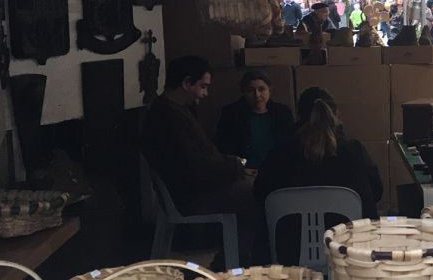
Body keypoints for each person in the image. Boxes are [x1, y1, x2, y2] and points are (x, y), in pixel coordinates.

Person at [142, 56, 256, 266]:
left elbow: (200, 159)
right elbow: (194, 167)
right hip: (191, 197)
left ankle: (239, 257)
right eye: (203, 86)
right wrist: (235, 166)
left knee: (253, 185)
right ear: (186, 83)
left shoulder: (172, 111)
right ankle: (239, 260)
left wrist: (233, 164)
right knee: (258, 192)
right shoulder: (167, 118)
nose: (205, 94)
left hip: (193, 189)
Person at [255, 88, 384, 263]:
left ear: (298, 116)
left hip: (289, 252)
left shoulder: (279, 153)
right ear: (336, 114)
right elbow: (376, 192)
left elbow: (259, 194)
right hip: (347, 251)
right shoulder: (353, 151)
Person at [213, 70, 295, 170]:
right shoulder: (231, 114)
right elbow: (223, 147)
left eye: (261, 89)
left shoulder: (283, 113)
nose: (257, 95)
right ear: (244, 92)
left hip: (277, 170)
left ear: (269, 89)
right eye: (250, 90)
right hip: (243, 172)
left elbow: (291, 145)